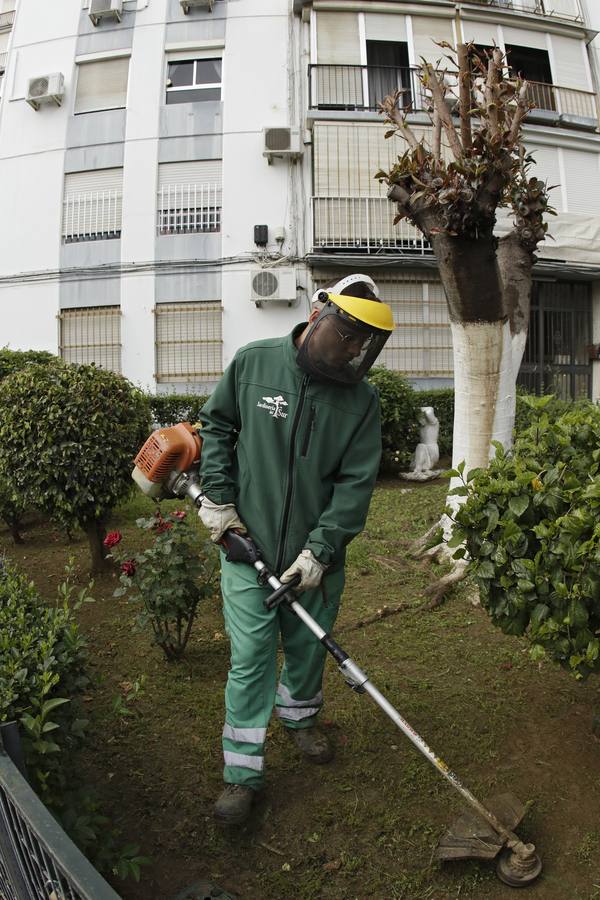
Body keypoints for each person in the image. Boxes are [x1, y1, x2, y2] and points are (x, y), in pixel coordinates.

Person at [198, 274, 394, 825]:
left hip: (316, 563)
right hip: (246, 550)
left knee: (308, 650)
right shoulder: (253, 364)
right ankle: (241, 775)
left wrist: (319, 552)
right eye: (349, 335)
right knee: (252, 660)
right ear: (317, 317)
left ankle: (301, 719)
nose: (355, 350)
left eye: (365, 342)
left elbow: (355, 485)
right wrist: (218, 497)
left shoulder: (362, 402)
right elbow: (216, 426)